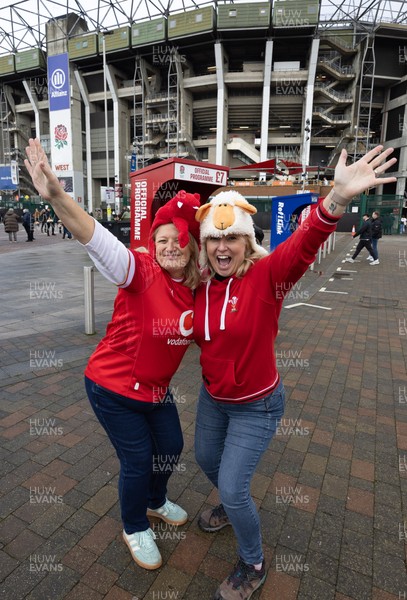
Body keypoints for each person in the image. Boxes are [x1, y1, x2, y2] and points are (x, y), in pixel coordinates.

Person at [193, 145, 396, 600]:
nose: (222, 248)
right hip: (212, 398)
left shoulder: (266, 277)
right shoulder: (199, 286)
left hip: (256, 406)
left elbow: (303, 246)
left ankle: (253, 561)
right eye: (214, 239)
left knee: (233, 484)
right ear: (205, 244)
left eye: (231, 239)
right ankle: (230, 505)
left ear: (246, 241)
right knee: (205, 461)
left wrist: (336, 200)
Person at [24, 137, 202, 571]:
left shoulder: (197, 290)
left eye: (178, 238)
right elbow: (97, 238)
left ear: (192, 245)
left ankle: (156, 501)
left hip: (155, 391)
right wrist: (59, 197)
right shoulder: (140, 272)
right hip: (112, 387)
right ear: (152, 244)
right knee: (138, 458)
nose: (169, 246)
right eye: (161, 239)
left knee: (173, 445)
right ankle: (133, 524)